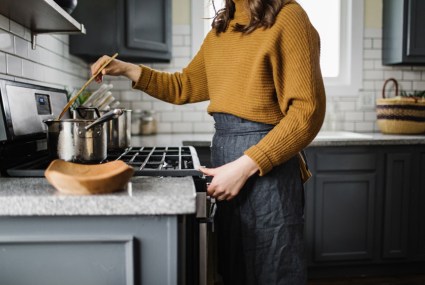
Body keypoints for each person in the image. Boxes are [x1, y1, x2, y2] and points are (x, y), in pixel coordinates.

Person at [91, 0, 326, 283]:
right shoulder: (221, 29)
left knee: (274, 271)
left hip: (267, 165)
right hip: (226, 155)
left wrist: (243, 167)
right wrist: (128, 69)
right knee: (235, 268)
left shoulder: (289, 17)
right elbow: (184, 86)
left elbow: (307, 112)